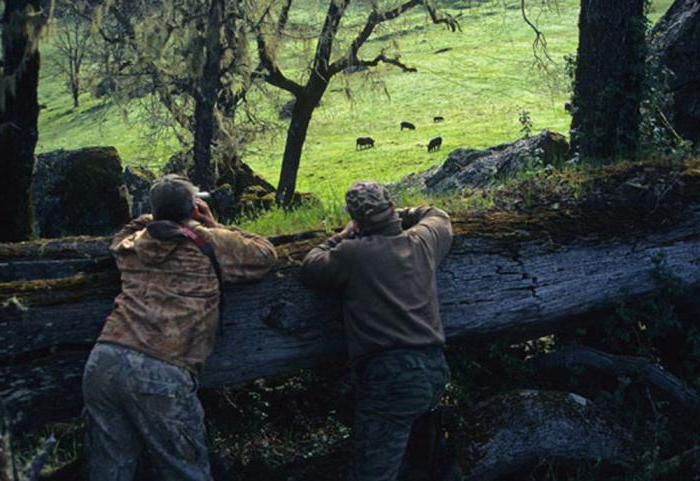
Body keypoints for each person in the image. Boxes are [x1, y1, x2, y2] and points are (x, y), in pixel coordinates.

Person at [82, 174, 277, 481]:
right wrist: (212, 223)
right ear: (194, 207)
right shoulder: (208, 242)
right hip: (162, 369)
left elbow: (124, 231)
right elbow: (265, 254)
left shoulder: (132, 245)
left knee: (110, 470)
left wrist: (161, 215)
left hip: (105, 359)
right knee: (184, 470)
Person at [301, 181, 455, 481]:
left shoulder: (352, 253)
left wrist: (340, 236)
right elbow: (438, 215)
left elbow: (311, 266)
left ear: (356, 220)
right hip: (434, 367)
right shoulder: (422, 241)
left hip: (390, 375)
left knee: (374, 471)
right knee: (424, 464)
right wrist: (404, 215)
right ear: (391, 208)